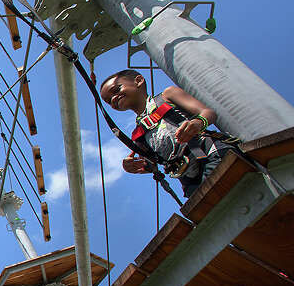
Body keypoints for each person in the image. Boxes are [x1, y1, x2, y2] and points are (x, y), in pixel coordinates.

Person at [98, 69, 236, 198]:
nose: (114, 99)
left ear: (138, 81)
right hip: (187, 178)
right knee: (203, 205)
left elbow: (208, 113)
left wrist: (198, 123)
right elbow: (151, 163)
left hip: (209, 154)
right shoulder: (138, 133)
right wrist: (136, 166)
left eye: (116, 90)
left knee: (217, 193)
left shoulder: (167, 96)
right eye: (109, 101)